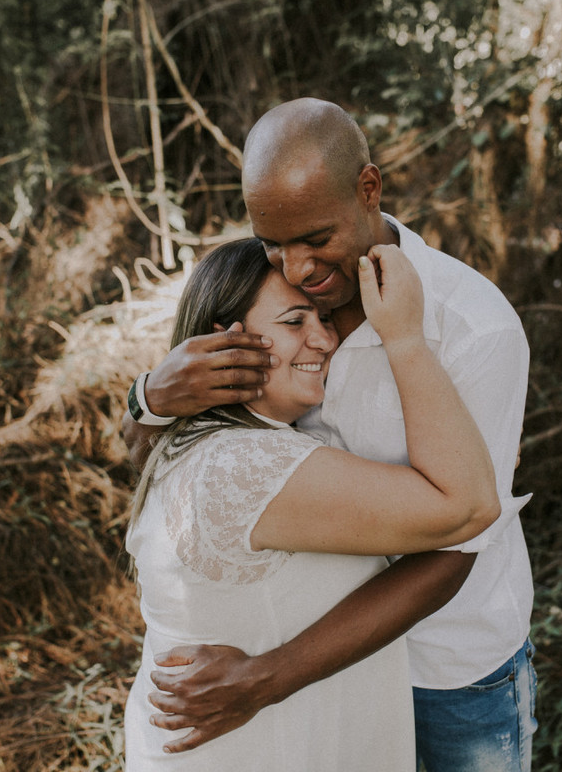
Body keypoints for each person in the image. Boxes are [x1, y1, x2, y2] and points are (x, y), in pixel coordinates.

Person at [124, 97, 537, 771]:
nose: (298, 268)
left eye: (316, 239)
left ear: (367, 189)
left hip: (447, 669)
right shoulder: (274, 307)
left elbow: (458, 542)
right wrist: (148, 396)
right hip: (329, 675)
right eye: (274, 245)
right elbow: (157, 461)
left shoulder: (473, 329)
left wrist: (269, 676)